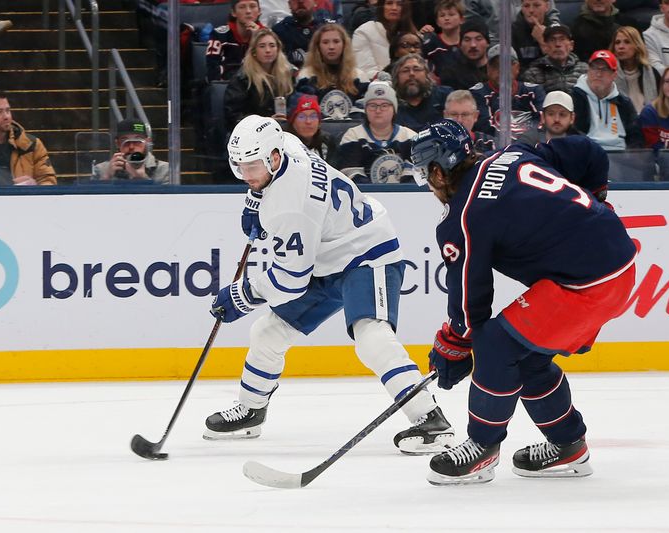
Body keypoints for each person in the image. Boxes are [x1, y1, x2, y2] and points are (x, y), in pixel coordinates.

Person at [205, 115, 454, 455]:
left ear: (273, 158)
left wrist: (242, 293)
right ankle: (251, 410)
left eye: (252, 167)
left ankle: (431, 420)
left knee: (371, 336)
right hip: (326, 257)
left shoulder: (291, 207)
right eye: (240, 167)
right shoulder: (288, 145)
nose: (246, 176)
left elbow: (290, 281)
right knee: (268, 332)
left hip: (367, 253)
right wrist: (255, 199)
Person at [408, 120, 636, 484]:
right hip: (617, 262)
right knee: (527, 357)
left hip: (584, 283)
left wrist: (454, 344)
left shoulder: (463, 216)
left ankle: (481, 447)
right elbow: (585, 149)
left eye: (425, 173)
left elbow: (471, 299)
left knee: (495, 344)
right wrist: (596, 197)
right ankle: (568, 446)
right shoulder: (512, 153)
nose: (428, 184)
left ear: (439, 169)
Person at [337, 81, 417, 184]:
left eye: (384, 105)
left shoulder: (410, 137)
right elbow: (351, 175)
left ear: (394, 109)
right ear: (365, 110)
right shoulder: (353, 136)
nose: (378, 110)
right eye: (372, 105)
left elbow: (414, 175)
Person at [224, 28, 295, 134]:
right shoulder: (242, 79)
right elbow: (234, 116)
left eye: (272, 45)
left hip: (284, 131)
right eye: (262, 46)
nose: (268, 50)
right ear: (254, 51)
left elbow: (295, 104)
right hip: (252, 134)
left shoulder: (288, 74)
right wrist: (266, 122)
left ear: (278, 49)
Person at [0, 88, 57, 186]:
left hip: (26, 201)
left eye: (8, 110)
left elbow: (49, 181)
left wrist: (35, 187)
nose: (6, 116)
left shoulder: (31, 145)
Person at [295, 23, 369, 120]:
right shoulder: (306, 76)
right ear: (318, 47)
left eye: (336, 41)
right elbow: (305, 109)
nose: (331, 47)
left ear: (344, 45)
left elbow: (363, 109)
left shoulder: (359, 76)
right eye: (325, 42)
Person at [572, 50, 643, 150]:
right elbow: (573, 132)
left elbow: (635, 137)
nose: (598, 74)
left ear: (614, 75)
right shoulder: (576, 97)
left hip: (621, 157)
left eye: (604, 69)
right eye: (594, 68)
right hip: (587, 153)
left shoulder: (624, 102)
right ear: (588, 70)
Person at [471, 45, 544, 139]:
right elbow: (485, 128)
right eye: (496, 66)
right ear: (488, 69)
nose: (501, 70)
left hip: (531, 147)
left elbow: (542, 123)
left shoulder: (533, 91)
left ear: (517, 67)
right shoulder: (478, 93)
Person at [352, 0, 417, 80]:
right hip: (378, 86)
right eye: (389, 3)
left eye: (399, 4)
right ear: (381, 6)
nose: (394, 8)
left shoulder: (414, 35)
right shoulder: (363, 32)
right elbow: (366, 70)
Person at [93, 118, 170, 183]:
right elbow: (90, 199)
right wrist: (107, 177)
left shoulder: (164, 169)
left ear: (147, 142)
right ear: (117, 143)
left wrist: (143, 179)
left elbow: (169, 199)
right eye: (125, 140)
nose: (131, 147)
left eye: (138, 140)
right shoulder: (102, 169)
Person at [205, 0, 266, 82]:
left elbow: (272, 68)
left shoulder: (268, 36)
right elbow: (212, 70)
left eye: (252, 6)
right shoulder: (219, 35)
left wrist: (256, 39)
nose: (248, 11)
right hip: (226, 86)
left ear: (259, 11)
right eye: (242, 7)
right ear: (233, 12)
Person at [522, 23, 589, 94]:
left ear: (571, 45)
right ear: (545, 46)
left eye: (562, 39)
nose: (557, 44)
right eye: (552, 40)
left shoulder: (584, 70)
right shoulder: (533, 74)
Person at [393, 54, 452, 132]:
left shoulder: (445, 95)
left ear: (427, 74)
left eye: (416, 69)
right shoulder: (390, 104)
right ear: (397, 77)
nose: (411, 74)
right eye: (405, 70)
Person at [272, 0, 340, 69]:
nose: (300, 1)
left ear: (315, 2)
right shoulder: (278, 31)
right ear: (289, 4)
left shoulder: (329, 29)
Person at [610, 26, 661, 113]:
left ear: (637, 45)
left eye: (627, 42)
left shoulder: (652, 73)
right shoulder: (609, 74)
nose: (621, 46)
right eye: (617, 42)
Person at [436, 19, 491, 90]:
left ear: (487, 43)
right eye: (467, 40)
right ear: (460, 44)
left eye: (478, 39)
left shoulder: (498, 70)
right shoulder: (450, 74)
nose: (473, 45)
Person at [283, 93, 339, 162]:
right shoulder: (283, 143)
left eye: (313, 116)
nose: (308, 121)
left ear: (319, 122)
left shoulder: (328, 142)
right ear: (292, 122)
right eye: (301, 117)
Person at [421, 0, 466, 80]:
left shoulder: (468, 42)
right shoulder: (430, 45)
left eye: (451, 14)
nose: (447, 18)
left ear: (462, 19)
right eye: (442, 16)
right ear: (437, 22)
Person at [512, 0, 559, 71]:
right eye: (526, 6)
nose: (531, 10)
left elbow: (560, 67)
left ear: (546, 7)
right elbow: (512, 70)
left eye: (536, 5)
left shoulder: (557, 30)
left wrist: (543, 42)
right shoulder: (511, 31)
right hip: (525, 79)